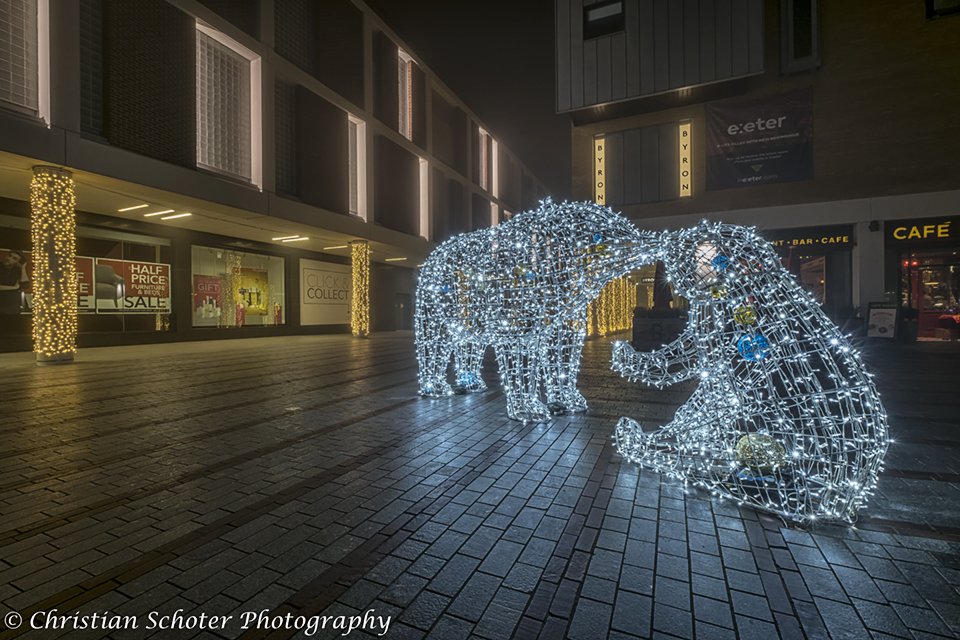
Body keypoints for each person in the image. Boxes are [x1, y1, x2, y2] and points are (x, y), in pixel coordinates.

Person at [0, 250, 28, 314]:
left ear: (18, 262)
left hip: (12, 307)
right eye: (9, 256)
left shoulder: (17, 271)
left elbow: (25, 285)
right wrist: (15, 287)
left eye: (14, 258)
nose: (9, 259)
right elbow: (17, 287)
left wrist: (23, 268)